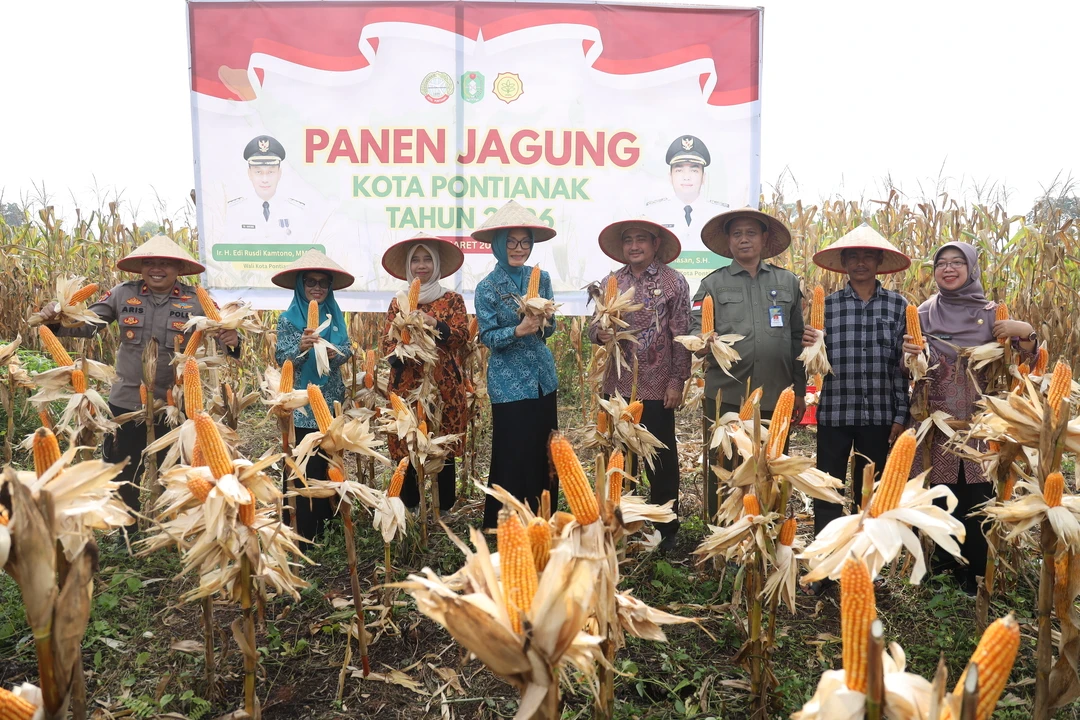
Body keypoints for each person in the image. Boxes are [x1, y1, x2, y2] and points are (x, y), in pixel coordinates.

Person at [39, 236, 240, 512]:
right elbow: (86, 326)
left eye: (165, 264)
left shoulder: (196, 301)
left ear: (179, 269)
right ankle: (125, 530)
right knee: (120, 470)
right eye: (150, 262)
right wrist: (55, 317)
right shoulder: (122, 293)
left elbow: (224, 339)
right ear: (141, 267)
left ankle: (169, 529)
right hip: (127, 399)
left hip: (174, 404)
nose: (157, 268)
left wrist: (232, 339)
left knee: (176, 472)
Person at [903, 241, 1037, 595]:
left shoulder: (993, 314)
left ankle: (976, 572)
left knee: (978, 496)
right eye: (941, 263)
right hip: (934, 422)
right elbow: (910, 371)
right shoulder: (923, 313)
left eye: (957, 263)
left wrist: (1026, 331)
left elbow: (1023, 365)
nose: (948, 269)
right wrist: (910, 357)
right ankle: (939, 568)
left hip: (981, 422)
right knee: (938, 494)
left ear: (971, 268)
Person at [801, 224, 911, 594]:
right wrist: (808, 346)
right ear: (843, 263)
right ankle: (825, 567)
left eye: (868, 256)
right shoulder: (827, 306)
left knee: (871, 495)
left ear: (879, 262)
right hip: (834, 412)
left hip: (879, 414)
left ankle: (868, 568)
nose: (861, 262)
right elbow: (812, 363)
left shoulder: (899, 306)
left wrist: (900, 415)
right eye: (854, 256)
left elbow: (902, 367)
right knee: (828, 491)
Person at [691, 208, 806, 521]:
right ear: (728, 241)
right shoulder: (713, 284)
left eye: (751, 233)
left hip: (775, 396)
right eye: (737, 233)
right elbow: (694, 331)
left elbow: (798, 340)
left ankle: (765, 536)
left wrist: (798, 390)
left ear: (764, 238)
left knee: (769, 469)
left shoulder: (787, 282)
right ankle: (722, 538)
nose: (744, 239)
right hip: (726, 397)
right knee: (725, 472)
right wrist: (703, 340)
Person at [589, 218, 690, 551]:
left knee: (661, 458)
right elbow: (594, 328)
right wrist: (599, 333)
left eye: (641, 240)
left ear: (655, 243)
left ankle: (666, 527)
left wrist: (677, 380)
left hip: (658, 385)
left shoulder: (673, 282)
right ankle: (625, 521)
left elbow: (681, 337)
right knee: (620, 456)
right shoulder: (611, 281)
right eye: (628, 240)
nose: (634, 246)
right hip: (617, 385)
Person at [472, 200, 559, 528]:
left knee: (545, 449)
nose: (519, 248)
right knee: (512, 450)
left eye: (524, 242)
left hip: (542, 378)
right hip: (508, 382)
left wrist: (544, 321)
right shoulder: (487, 288)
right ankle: (504, 522)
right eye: (511, 241)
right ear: (498, 244)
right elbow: (488, 336)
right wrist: (518, 329)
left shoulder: (542, 278)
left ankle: (543, 516)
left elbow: (551, 328)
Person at [380, 233, 468, 515]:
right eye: (415, 260)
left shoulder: (452, 300)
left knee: (444, 440)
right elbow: (386, 345)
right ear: (408, 266)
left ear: (437, 263)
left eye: (427, 258)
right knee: (407, 441)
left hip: (443, 385)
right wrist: (403, 345)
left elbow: (461, 338)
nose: (421, 265)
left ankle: (444, 509)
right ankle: (410, 505)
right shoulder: (399, 303)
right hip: (407, 385)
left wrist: (433, 323)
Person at [272, 248, 354, 542]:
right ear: (300, 285)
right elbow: (283, 358)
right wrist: (303, 347)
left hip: (329, 399)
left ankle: (327, 523)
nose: (317, 288)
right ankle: (300, 525)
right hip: (300, 401)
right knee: (300, 459)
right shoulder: (288, 320)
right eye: (311, 282)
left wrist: (332, 351)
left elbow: (347, 350)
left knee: (326, 457)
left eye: (323, 282)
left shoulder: (336, 316)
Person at [644, 135, 729, 263]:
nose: (686, 177)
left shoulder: (720, 214)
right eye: (679, 170)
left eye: (694, 170)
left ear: (704, 177)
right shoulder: (652, 213)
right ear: (670, 176)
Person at [226, 135, 316, 245]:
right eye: (258, 172)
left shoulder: (296, 211)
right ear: (249, 173)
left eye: (270, 172)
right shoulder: (235, 211)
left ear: (279, 173)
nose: (265, 179)